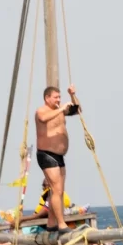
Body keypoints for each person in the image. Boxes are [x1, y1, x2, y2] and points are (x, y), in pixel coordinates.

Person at [35, 84, 80, 236]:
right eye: (56, 97)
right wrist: (61, 109)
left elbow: (77, 110)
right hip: (46, 154)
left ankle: (51, 223)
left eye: (60, 97)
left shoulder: (60, 110)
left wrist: (72, 95)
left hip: (59, 156)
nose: (59, 100)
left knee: (59, 191)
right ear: (47, 98)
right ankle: (61, 224)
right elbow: (43, 118)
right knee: (56, 189)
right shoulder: (41, 111)